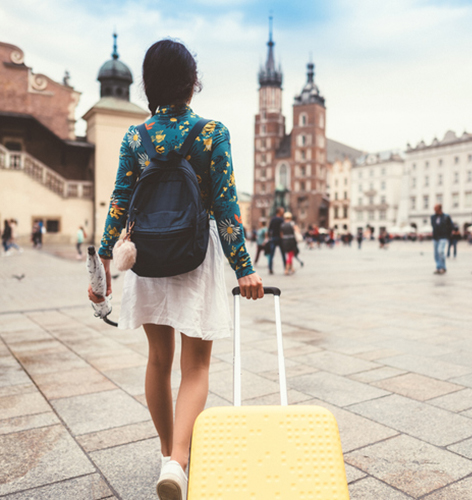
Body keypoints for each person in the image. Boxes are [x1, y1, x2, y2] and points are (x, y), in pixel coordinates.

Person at [87, 39, 263, 500]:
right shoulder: (211, 132)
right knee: (197, 366)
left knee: (158, 360)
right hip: (192, 254)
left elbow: (119, 204)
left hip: (145, 256)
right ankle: (178, 461)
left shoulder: (134, 137)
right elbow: (226, 207)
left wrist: (103, 264)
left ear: (149, 82)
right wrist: (243, 268)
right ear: (192, 81)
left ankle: (170, 454)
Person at [431, 204, 453, 274]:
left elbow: (451, 226)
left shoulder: (446, 217)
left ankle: (443, 267)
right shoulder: (433, 217)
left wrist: (447, 235)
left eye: (435, 208)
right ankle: (438, 267)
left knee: (440, 251)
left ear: (439, 209)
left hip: (443, 237)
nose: (434, 210)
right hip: (435, 237)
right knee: (436, 253)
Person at [267, 206, 286, 274]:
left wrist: (269, 237)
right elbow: (283, 229)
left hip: (273, 238)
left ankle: (270, 268)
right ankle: (285, 268)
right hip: (280, 238)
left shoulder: (273, 219)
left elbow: (269, 229)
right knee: (283, 254)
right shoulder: (281, 220)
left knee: (271, 254)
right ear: (279, 212)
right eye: (282, 211)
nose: (283, 212)